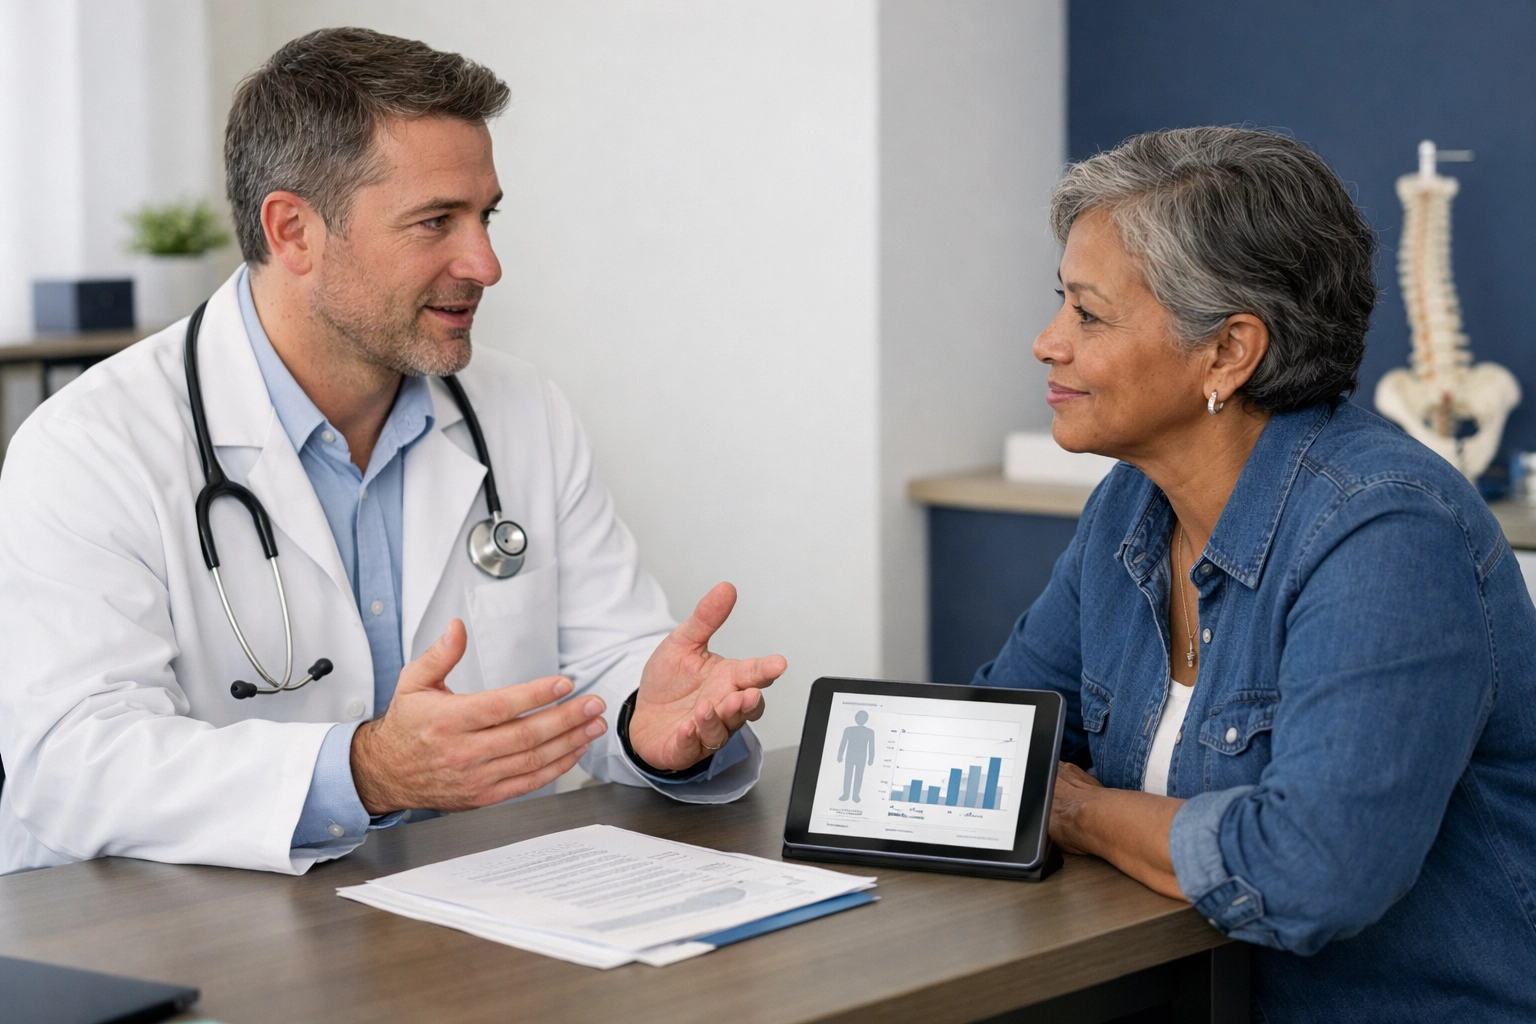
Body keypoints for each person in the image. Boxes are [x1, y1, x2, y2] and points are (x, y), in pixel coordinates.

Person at [0, 28, 786, 875]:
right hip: (194, 946)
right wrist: (364, 772)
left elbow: (599, 663)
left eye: (485, 216)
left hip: (471, 925)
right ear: (293, 230)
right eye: (436, 222)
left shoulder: (524, 413)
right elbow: (73, 762)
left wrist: (650, 722)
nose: (484, 262)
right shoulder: (91, 446)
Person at [973, 127, 1536, 1019]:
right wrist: (687, 750)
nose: (1048, 343)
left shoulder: (1385, 530)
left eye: (1088, 314)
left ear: (1229, 353)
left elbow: (1318, 870)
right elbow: (999, 751)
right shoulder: (1131, 504)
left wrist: (1080, 812)